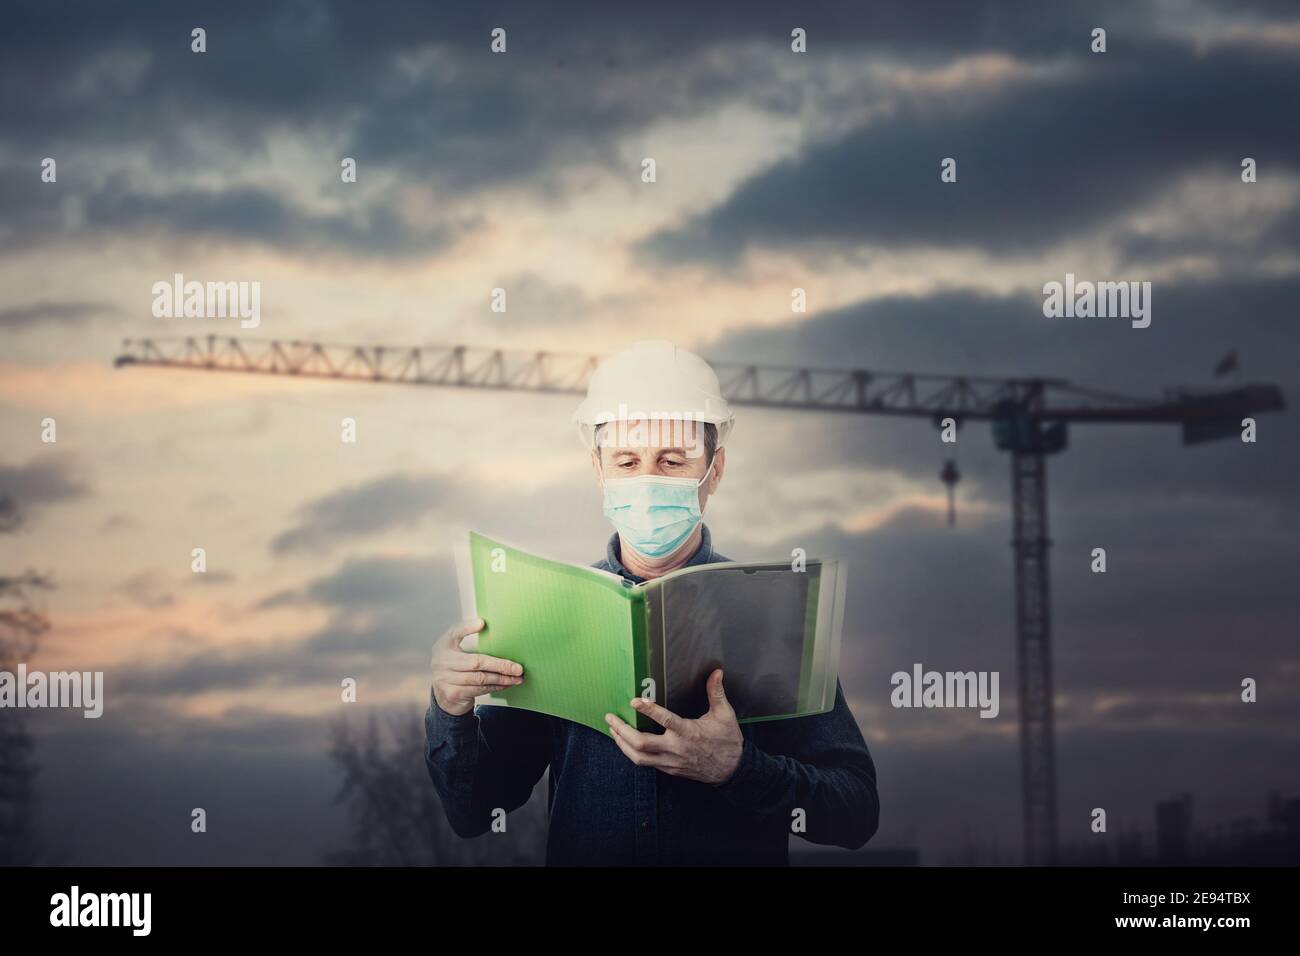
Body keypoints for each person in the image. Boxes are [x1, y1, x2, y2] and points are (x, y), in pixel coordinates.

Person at [425, 340, 879, 865]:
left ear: (716, 469)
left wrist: (737, 768)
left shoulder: (772, 613)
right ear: (598, 470)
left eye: (672, 460)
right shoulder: (549, 614)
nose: (647, 480)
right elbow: (474, 811)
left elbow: (856, 812)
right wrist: (451, 709)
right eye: (627, 461)